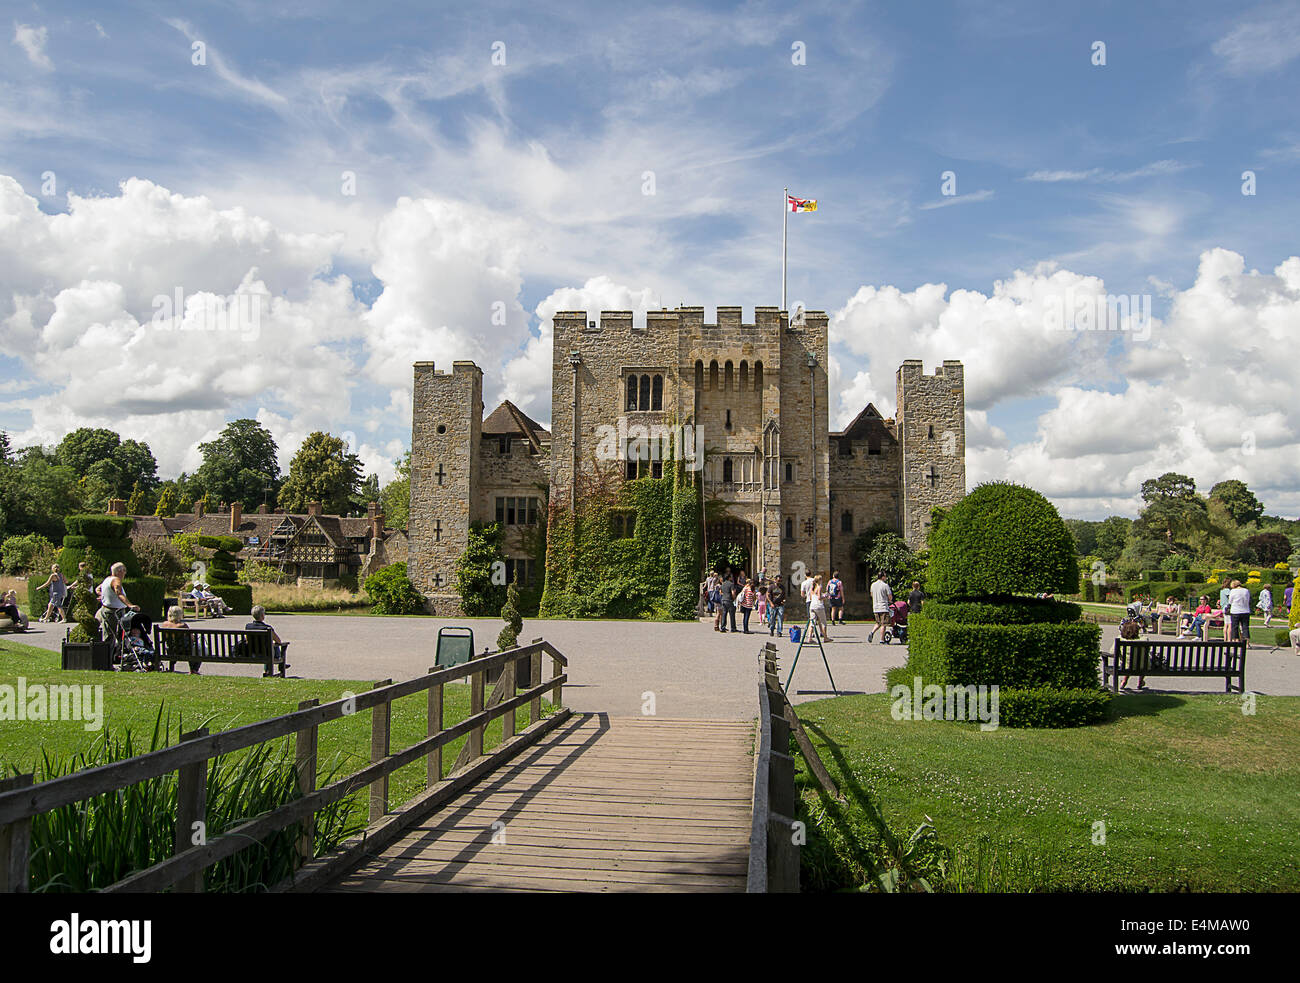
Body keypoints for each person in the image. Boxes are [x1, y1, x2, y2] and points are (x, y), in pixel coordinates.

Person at [246, 605, 290, 676]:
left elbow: (247, 640)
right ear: (262, 616)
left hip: (253, 653)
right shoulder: (267, 628)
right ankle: (281, 665)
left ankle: (268, 671)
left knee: (268, 647)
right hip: (266, 654)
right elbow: (278, 641)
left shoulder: (248, 626)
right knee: (272, 647)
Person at [159, 605, 202, 674]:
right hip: (184, 650)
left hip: (171, 650)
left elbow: (164, 639)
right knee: (199, 650)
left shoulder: (165, 624)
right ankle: (194, 669)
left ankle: (171, 668)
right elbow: (192, 638)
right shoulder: (182, 625)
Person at [869, 573, 893, 643]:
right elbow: (890, 596)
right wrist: (890, 600)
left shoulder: (873, 585)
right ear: (882, 577)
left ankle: (872, 632)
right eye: (885, 576)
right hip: (883, 607)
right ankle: (882, 639)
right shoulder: (885, 585)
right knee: (884, 624)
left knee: (878, 623)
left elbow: (871, 594)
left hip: (875, 607)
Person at [1227, 579, 1252, 644]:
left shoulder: (1233, 591)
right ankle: (1247, 643)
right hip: (1245, 611)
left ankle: (1236, 641)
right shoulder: (1246, 590)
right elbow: (1248, 600)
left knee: (1235, 627)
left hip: (1235, 611)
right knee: (1245, 627)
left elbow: (1230, 601)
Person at [808, 575, 831, 642]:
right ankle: (825, 637)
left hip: (812, 605)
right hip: (819, 606)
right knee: (823, 622)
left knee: (812, 622)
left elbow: (813, 596)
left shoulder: (812, 587)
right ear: (819, 580)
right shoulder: (819, 586)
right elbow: (819, 597)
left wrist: (822, 594)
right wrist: (825, 597)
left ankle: (809, 638)